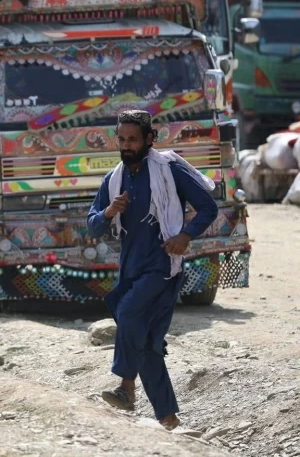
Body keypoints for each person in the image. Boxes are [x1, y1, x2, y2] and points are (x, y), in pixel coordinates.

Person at [87, 110, 218, 431]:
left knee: (130, 313)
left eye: (133, 139)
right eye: (122, 139)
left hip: (162, 265)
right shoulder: (114, 178)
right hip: (130, 267)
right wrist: (108, 211)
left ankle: (126, 387)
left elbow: (208, 206)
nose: (127, 145)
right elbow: (92, 226)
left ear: (150, 139)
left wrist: (185, 236)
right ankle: (169, 419)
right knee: (146, 344)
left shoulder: (168, 169)